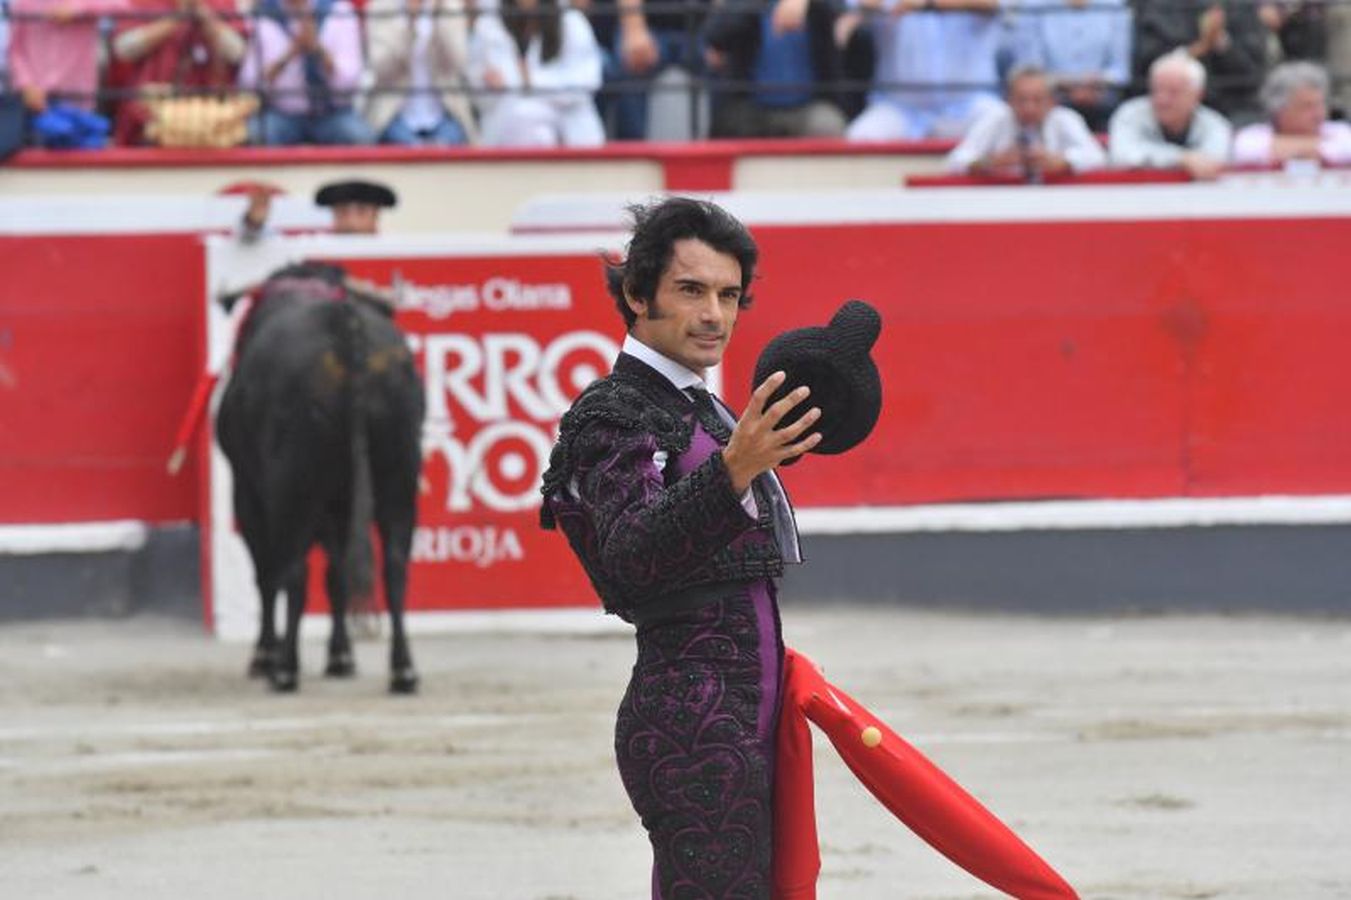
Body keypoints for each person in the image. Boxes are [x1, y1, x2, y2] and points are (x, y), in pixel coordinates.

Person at [540, 197, 819, 897]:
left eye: (728, 295)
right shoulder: (612, 411)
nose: (714, 315)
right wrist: (733, 470)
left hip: (744, 705)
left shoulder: (701, 408)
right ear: (637, 294)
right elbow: (631, 558)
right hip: (691, 721)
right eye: (690, 290)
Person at [843, 0, 1005, 142]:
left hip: (967, 107)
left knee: (1000, 121)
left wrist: (927, 3)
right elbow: (860, 6)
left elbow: (992, 3)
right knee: (860, 136)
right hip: (901, 109)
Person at [467, 0, 605, 147]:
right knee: (522, 118)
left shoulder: (572, 22)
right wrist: (488, 82)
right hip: (509, 131)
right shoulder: (489, 25)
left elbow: (585, 83)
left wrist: (532, 81)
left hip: (569, 129)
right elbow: (478, 86)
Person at [237, 0, 375, 145]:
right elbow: (248, 82)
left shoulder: (338, 9)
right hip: (282, 114)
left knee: (360, 137)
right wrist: (288, 55)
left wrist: (318, 50)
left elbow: (351, 80)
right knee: (255, 135)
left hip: (332, 114)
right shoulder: (265, 14)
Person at [703, 0, 848, 138]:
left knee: (828, 126)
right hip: (753, 107)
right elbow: (714, 35)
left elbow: (840, 9)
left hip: (808, 107)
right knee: (729, 126)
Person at [110, 0, 248, 145]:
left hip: (210, 118)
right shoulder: (141, 3)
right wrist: (176, 18)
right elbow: (123, 50)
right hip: (150, 115)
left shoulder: (223, 3)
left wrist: (205, 17)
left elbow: (237, 53)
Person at [946, 65, 1105, 177]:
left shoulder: (1065, 118)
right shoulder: (995, 118)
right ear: (1009, 100)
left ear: (1051, 101)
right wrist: (992, 162)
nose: (1029, 108)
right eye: (1022, 100)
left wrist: (1061, 161)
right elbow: (955, 161)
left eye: (1037, 100)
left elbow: (1098, 157)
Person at [1133, 0, 1271, 122]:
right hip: (1170, 107)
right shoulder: (1158, 7)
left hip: (1233, 107)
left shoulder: (1241, 7)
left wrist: (1220, 42)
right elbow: (1146, 65)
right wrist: (1199, 48)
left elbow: (1253, 75)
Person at [8, 0, 128, 141]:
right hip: (35, 100)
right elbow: (15, 50)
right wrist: (25, 84)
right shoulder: (23, 4)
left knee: (77, 156)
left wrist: (78, 8)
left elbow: (122, 6)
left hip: (77, 98)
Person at [363, 0, 477, 145]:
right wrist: (411, 25)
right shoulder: (382, 6)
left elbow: (458, 62)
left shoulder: (449, 6)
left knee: (446, 147)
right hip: (395, 115)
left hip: (445, 115)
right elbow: (380, 67)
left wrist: (438, 17)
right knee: (409, 149)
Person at [1008, 0, 1131, 132]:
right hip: (1051, 93)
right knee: (1032, 103)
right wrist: (1067, 86)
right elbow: (1029, 68)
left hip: (1101, 94)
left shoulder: (1114, 5)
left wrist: (1096, 82)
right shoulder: (1033, 5)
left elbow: (1121, 71)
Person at [1109, 49, 1232, 180]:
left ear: (1198, 95)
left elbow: (1213, 161)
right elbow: (1122, 155)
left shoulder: (1214, 123)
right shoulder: (1130, 114)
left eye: (1173, 92)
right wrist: (1181, 158)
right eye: (1157, 90)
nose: (1163, 100)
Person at [1232, 60, 1351, 166]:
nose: (1318, 113)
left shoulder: (1340, 131)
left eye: (1320, 104)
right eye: (1307, 106)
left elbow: (1344, 148)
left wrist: (1286, 149)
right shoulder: (1252, 135)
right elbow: (1245, 150)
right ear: (1279, 110)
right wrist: (1315, 147)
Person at [238, 177, 396, 243]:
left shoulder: (393, 247)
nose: (351, 221)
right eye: (343, 212)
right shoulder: (318, 246)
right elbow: (273, 244)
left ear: (375, 215)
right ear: (334, 214)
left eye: (361, 212)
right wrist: (254, 223)